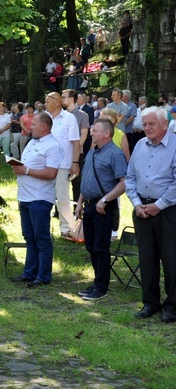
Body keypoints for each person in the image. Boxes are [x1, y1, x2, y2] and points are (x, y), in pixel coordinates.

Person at [125, 107, 176, 321]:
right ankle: (150, 303)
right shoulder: (139, 145)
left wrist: (159, 205)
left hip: (168, 210)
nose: (147, 128)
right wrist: (137, 204)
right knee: (147, 258)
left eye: (151, 124)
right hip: (142, 210)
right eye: (144, 124)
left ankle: (172, 306)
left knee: (171, 259)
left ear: (165, 124)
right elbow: (129, 178)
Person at [74, 119, 128, 300]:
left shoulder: (115, 154)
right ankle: (98, 282)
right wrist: (80, 201)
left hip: (103, 207)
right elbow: (87, 178)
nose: (91, 133)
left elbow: (124, 183)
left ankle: (101, 288)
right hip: (89, 205)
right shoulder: (92, 152)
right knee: (90, 246)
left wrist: (104, 200)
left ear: (107, 133)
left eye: (95, 131)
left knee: (101, 247)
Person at [10, 113, 62, 286]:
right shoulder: (32, 141)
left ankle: (43, 276)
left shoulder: (53, 146)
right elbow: (28, 166)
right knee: (29, 237)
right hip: (24, 196)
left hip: (40, 198)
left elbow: (51, 173)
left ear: (44, 127)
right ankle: (29, 273)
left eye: (33, 124)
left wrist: (25, 171)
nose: (30, 127)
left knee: (41, 238)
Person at [44, 92, 80, 239]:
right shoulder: (44, 117)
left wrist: (75, 162)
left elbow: (75, 142)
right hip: (44, 165)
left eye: (47, 101)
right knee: (43, 197)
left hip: (62, 164)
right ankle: (43, 228)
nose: (45, 103)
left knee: (62, 197)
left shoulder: (69, 118)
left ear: (57, 102)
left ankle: (66, 228)